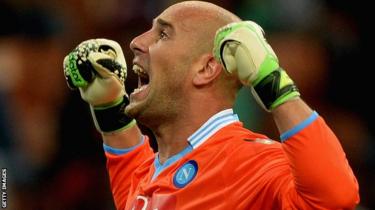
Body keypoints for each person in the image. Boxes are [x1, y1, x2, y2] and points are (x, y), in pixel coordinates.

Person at [63, 1, 359, 209]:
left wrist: (271, 82)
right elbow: (131, 169)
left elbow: (335, 197)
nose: (137, 42)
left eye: (163, 34)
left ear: (206, 69)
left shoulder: (251, 163)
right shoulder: (156, 171)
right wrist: (107, 106)